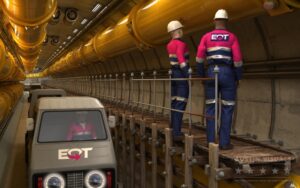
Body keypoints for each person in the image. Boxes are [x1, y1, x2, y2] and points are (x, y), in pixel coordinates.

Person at [196, 9, 243, 150]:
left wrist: (202, 75)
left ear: (214, 21)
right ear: (226, 21)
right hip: (228, 74)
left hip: (211, 73)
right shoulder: (232, 37)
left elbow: (199, 59)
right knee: (227, 108)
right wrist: (238, 77)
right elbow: (238, 60)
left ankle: (211, 141)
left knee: (211, 107)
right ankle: (224, 142)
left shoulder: (206, 37)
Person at [166, 20, 190, 140]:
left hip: (173, 75)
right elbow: (181, 58)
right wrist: (187, 73)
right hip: (181, 75)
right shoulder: (181, 44)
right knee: (181, 102)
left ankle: (172, 127)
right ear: (178, 31)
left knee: (174, 102)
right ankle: (176, 132)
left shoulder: (169, 44)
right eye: (181, 29)